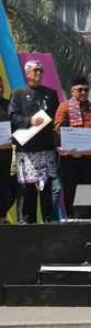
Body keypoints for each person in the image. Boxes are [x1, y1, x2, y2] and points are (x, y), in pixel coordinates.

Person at [9, 60, 59, 223]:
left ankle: (49, 219)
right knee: (27, 188)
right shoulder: (18, 93)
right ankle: (26, 220)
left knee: (47, 187)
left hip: (46, 147)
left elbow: (55, 116)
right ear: (27, 73)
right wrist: (29, 121)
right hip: (27, 149)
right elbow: (13, 116)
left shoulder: (51, 94)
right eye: (35, 70)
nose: (39, 73)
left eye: (41, 70)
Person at [54, 76, 91, 217]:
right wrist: (71, 145)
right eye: (80, 89)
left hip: (89, 157)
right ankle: (71, 217)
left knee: (87, 187)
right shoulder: (65, 106)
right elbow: (58, 129)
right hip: (70, 157)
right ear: (72, 91)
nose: (83, 93)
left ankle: (86, 216)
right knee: (70, 188)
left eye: (86, 90)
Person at [0, 77, 15, 223]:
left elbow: (16, 123)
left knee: (11, 187)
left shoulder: (9, 104)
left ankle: (2, 215)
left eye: (1, 84)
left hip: (9, 154)